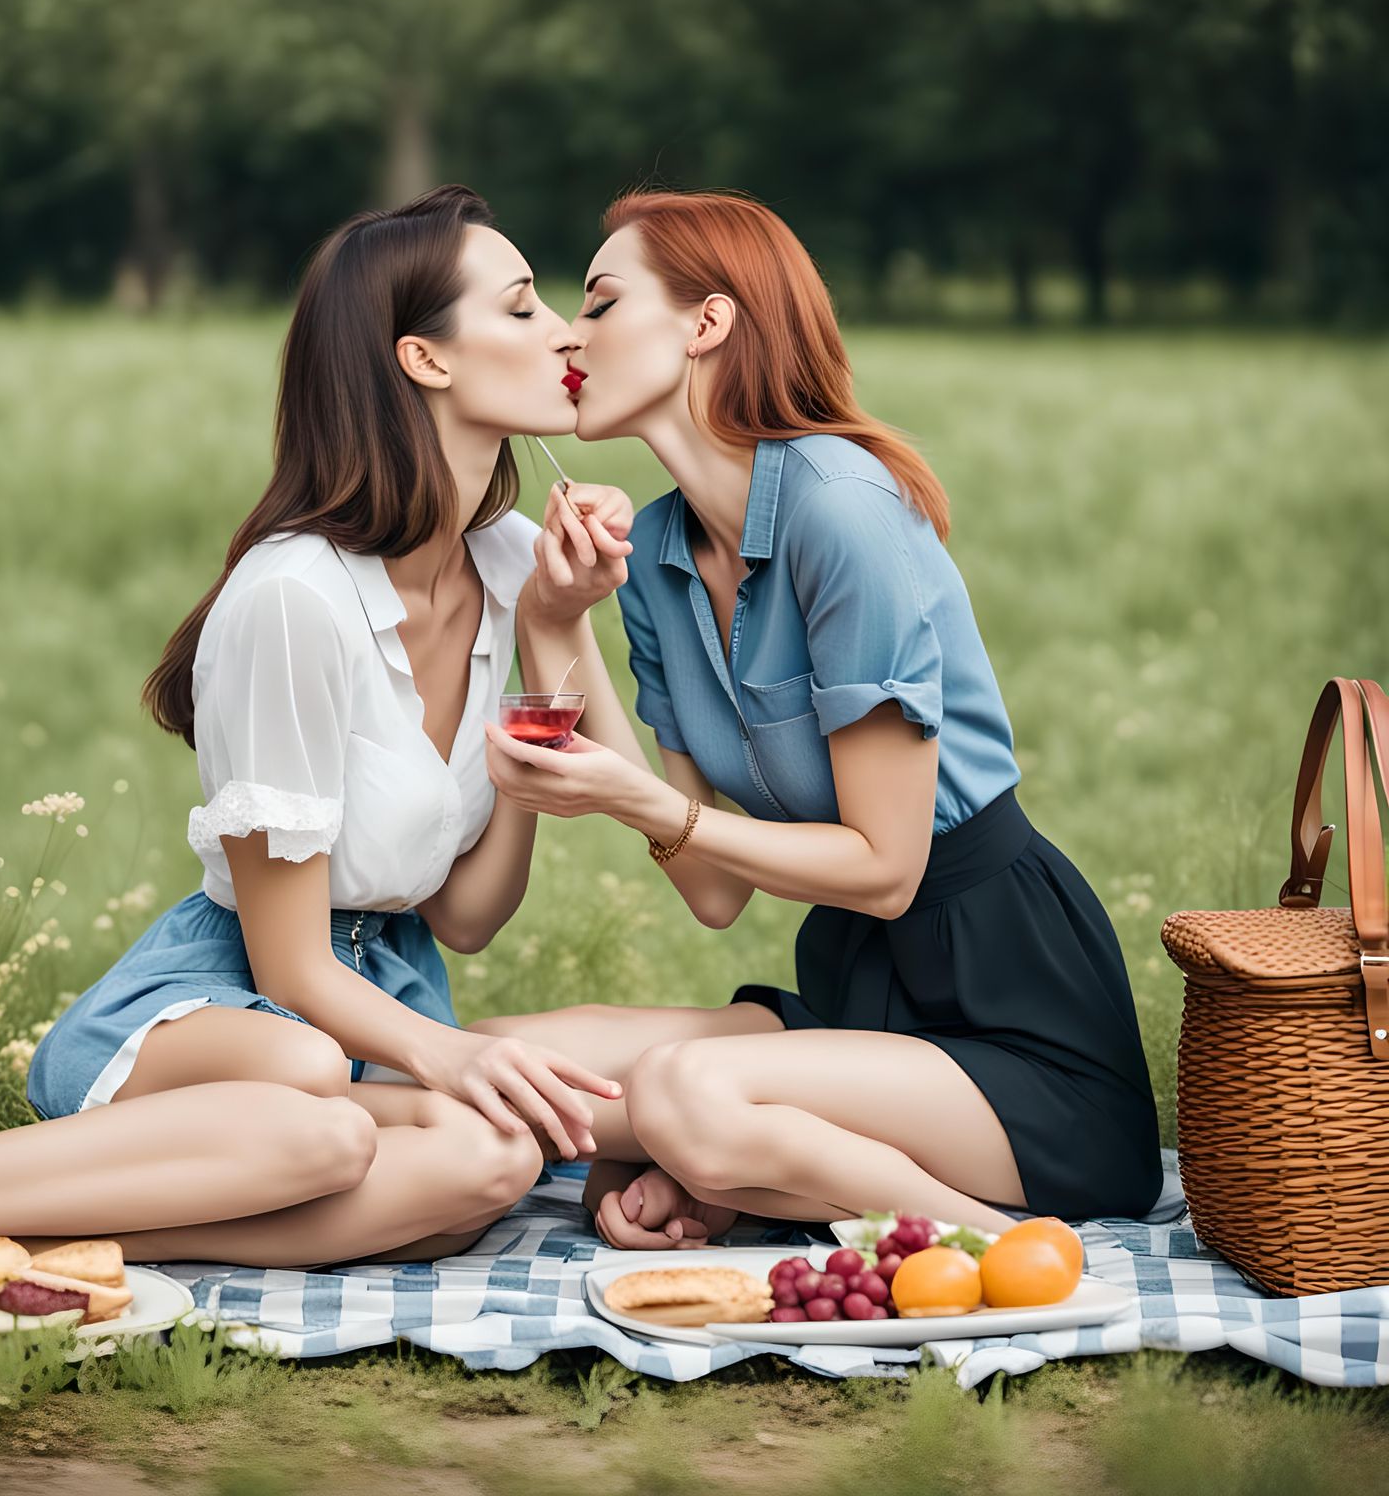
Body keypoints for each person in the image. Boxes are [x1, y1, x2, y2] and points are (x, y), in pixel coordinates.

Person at [0, 185, 628, 1268]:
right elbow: (288, 972)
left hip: (380, 1005)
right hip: (228, 1012)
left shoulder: (517, 562)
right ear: (425, 360)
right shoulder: (296, 597)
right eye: (521, 309)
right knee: (311, 1092)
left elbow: (467, 915)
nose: (564, 331)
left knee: (493, 1163)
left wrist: (552, 635)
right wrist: (451, 1059)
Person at [474, 189, 1165, 1249]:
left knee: (675, 1100)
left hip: (1010, 1016)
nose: (570, 333)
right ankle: (750, 1171)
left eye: (600, 302)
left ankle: (1012, 1246)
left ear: (706, 324)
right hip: (853, 992)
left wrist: (643, 800)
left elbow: (887, 869)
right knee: (498, 1062)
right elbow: (710, 889)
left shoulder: (840, 509)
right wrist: (555, 618)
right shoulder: (658, 555)